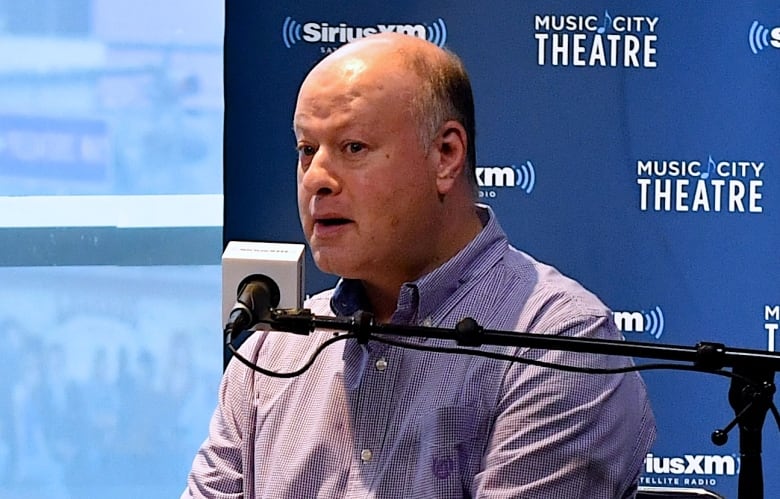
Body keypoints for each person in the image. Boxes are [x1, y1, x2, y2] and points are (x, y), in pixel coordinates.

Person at [183, 32, 655, 498]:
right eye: (307, 150)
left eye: (353, 147)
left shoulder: (557, 341)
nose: (317, 180)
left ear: (446, 156)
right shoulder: (274, 350)